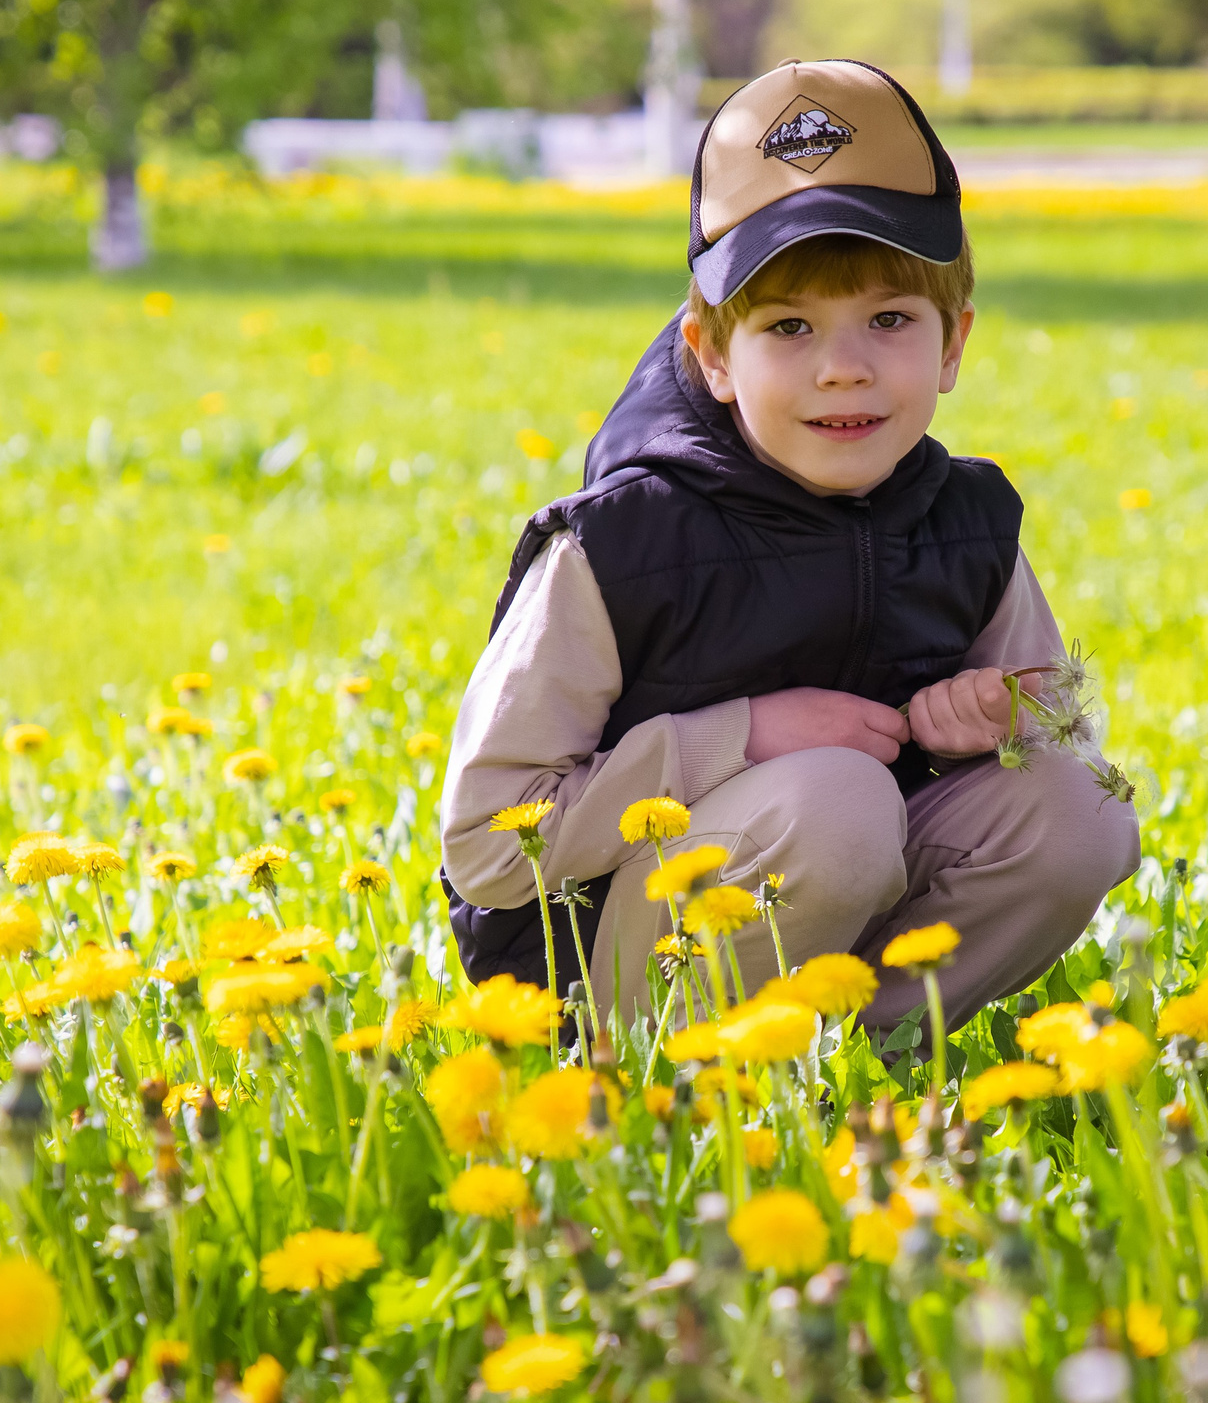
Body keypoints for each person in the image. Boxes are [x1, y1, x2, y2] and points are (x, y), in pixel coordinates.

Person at [438, 58, 1140, 1028]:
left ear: (951, 346)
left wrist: (983, 725)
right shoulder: (620, 544)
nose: (843, 369)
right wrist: (736, 741)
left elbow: (1057, 722)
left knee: (1077, 814)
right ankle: (673, 1074)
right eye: (790, 327)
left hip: (839, 895)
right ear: (713, 353)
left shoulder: (965, 521)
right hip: (613, 963)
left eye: (888, 320)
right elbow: (482, 844)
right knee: (839, 802)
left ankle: (863, 1060)